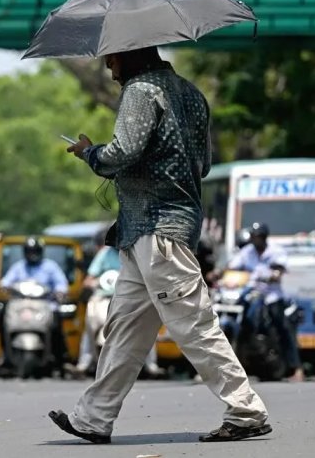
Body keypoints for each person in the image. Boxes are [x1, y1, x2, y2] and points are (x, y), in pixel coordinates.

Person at [50, 47, 270, 444]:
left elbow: (122, 152)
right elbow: (200, 165)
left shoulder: (141, 89)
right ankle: (94, 418)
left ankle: (246, 409)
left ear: (132, 56)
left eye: (113, 59)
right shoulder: (192, 94)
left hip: (158, 232)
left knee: (194, 323)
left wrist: (90, 153)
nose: (109, 68)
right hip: (146, 232)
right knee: (125, 328)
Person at [68, 245, 163, 378]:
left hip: (131, 297)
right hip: (104, 297)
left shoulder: (139, 252)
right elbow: (89, 279)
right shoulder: (105, 254)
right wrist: (95, 283)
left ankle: (151, 365)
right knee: (90, 325)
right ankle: (83, 364)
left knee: (146, 326)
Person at [228, 222, 304, 382]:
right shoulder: (247, 252)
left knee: (283, 328)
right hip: (250, 294)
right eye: (254, 237)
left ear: (264, 238)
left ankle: (296, 368)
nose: (256, 240)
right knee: (240, 325)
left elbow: (279, 270)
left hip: (271, 295)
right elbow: (233, 267)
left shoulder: (275, 252)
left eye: (259, 237)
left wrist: (273, 275)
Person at [0, 236, 69, 367]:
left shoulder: (50, 266)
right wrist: (4, 286)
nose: (32, 254)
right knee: (2, 314)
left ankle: (60, 359)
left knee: (57, 324)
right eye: (30, 251)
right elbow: (6, 281)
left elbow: (61, 284)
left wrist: (60, 291)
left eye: (35, 251)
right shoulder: (18, 267)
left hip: (45, 304)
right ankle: (4, 353)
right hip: (21, 304)